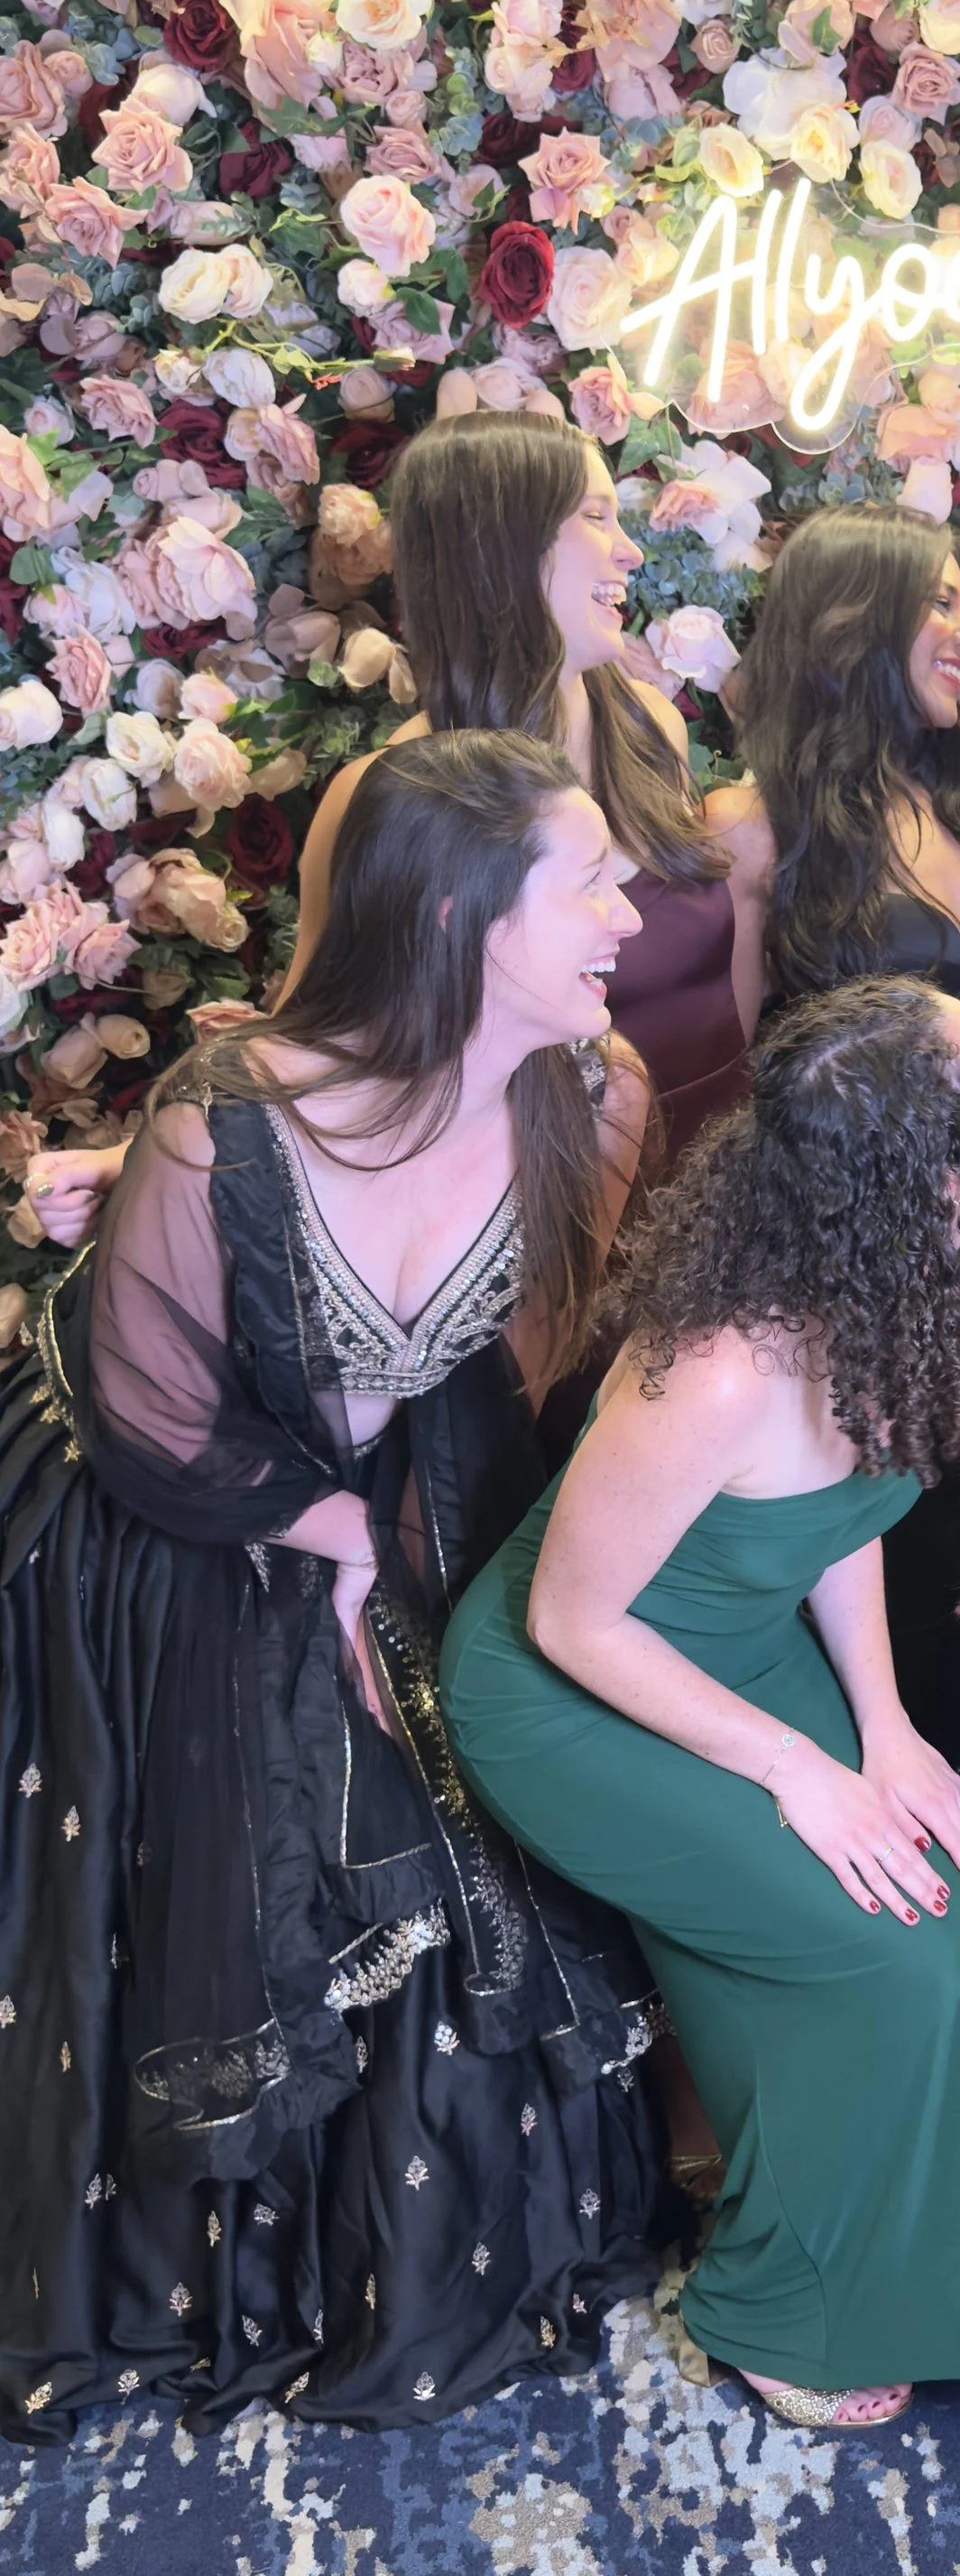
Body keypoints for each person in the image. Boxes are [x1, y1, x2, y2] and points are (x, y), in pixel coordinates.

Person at [0, 734, 671, 2441]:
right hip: (171, 1520)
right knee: (275, 1839)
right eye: (586, 878)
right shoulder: (233, 1119)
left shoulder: (585, 1096)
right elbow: (156, 1425)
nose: (631, 906)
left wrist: (431, 1575)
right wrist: (352, 1555)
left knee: (463, 1805)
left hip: (384, 1493)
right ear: (454, 914)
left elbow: (500, 1387)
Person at [442, 979, 960, 2433]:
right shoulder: (726, 1365)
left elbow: (845, 1515)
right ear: (922, 1168)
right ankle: (779, 2301)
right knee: (884, 1952)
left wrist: (884, 1727)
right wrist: (802, 1771)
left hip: (740, 1645)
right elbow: (570, 1619)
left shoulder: (894, 1266)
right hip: (579, 1692)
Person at [22, 413, 765, 1244]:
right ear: (501, 548)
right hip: (557, 1244)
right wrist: (136, 1160)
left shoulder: (651, 729)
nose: (628, 549)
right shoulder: (385, 797)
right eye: (595, 517)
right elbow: (313, 1044)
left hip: (731, 1200)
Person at [727, 503, 960, 1752]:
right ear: (847, 626)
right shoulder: (757, 828)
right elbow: (751, 1074)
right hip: (874, 1267)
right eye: (932, 601)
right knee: (904, 1561)